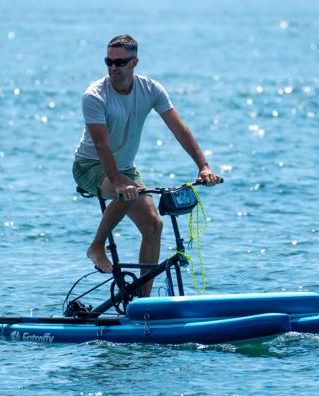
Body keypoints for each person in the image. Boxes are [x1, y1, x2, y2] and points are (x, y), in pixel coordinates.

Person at [73, 34, 219, 296]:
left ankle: (143, 304)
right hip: (90, 165)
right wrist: (117, 182)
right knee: (127, 193)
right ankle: (97, 246)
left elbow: (179, 129)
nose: (113, 68)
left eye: (120, 63)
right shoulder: (94, 96)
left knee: (154, 226)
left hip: (125, 169)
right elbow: (101, 146)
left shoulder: (151, 89)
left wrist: (203, 166)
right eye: (108, 62)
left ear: (134, 63)